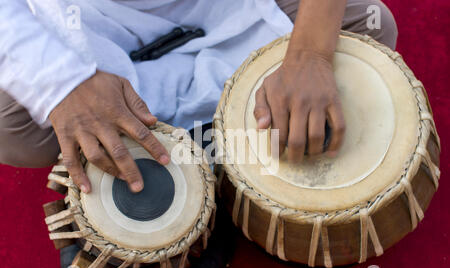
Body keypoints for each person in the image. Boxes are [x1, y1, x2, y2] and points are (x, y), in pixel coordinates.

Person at [0, 0, 397, 193]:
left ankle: (184, 155)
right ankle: (232, 142)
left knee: (367, 31)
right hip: (86, 17)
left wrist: (311, 55)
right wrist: (63, 85)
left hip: (229, 6)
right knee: (12, 130)